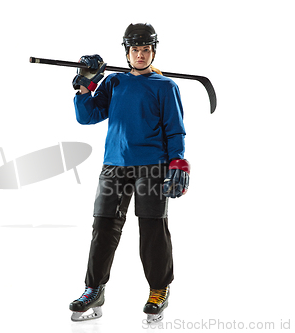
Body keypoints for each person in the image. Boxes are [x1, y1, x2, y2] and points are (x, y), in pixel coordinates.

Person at [68, 23, 190, 323]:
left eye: (145, 49)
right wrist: (86, 83)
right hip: (114, 166)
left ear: (153, 51)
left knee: (152, 229)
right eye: (135, 49)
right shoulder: (114, 83)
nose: (140, 54)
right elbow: (87, 116)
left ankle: (159, 289)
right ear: (126, 52)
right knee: (103, 227)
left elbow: (175, 130)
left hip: (152, 166)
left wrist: (178, 161)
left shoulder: (165, 87)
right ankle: (93, 288)